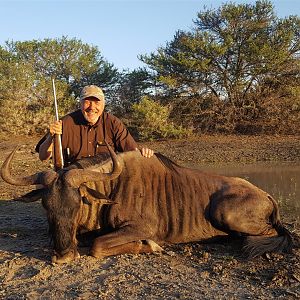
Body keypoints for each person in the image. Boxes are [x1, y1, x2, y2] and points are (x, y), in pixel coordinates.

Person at [36, 85, 154, 166]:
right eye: (87, 102)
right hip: (73, 179)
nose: (92, 107)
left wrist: (143, 153)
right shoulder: (65, 123)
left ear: (103, 104)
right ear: (80, 103)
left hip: (104, 178)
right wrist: (51, 137)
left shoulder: (113, 123)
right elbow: (43, 157)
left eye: (97, 102)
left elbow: (132, 152)